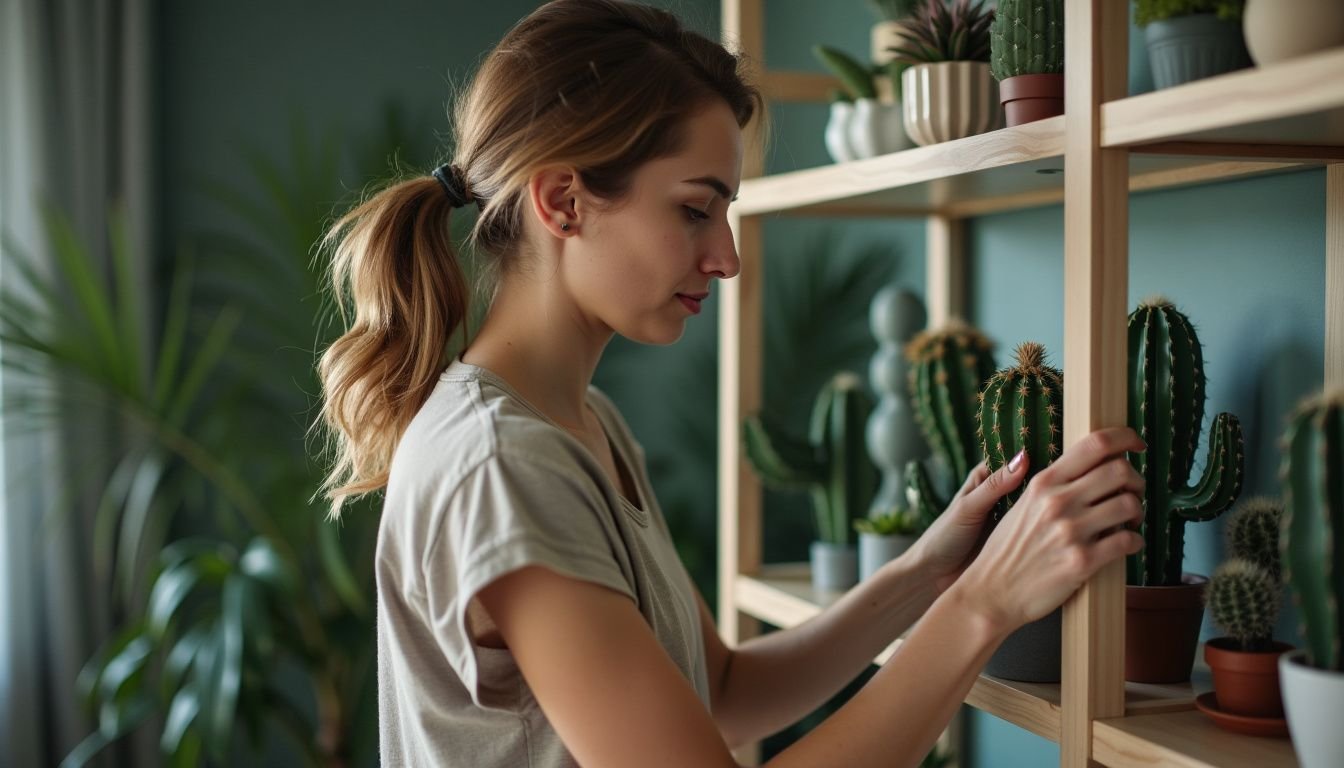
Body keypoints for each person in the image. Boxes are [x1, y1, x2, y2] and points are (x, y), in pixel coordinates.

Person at [314, 1, 1146, 766]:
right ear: (564, 201)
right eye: (692, 210)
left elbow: (729, 695)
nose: (728, 257)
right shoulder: (505, 467)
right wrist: (985, 605)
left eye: (728, 212)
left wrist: (931, 575)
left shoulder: (581, 424)